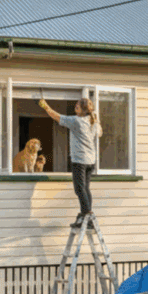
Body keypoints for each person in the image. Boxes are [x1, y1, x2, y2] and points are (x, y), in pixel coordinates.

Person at [38, 97, 102, 228]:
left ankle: (87, 217)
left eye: (77, 105)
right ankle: (85, 217)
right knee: (85, 189)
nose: (75, 107)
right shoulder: (92, 121)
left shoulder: (76, 121)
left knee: (79, 189)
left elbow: (57, 117)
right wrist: (96, 119)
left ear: (81, 109)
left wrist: (45, 106)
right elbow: (99, 133)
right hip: (91, 161)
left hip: (80, 161)